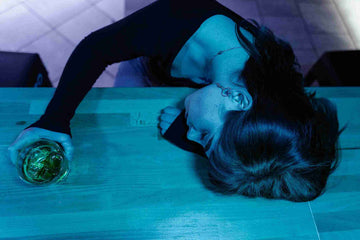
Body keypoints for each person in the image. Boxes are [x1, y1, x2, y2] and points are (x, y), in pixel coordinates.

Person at [7, 0, 347, 202]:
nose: (192, 136)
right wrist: (54, 120)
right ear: (236, 97)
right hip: (150, 64)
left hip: (193, 89)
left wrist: (196, 136)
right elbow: (95, 50)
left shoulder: (272, 103)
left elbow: (287, 167)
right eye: (206, 136)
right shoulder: (178, 18)